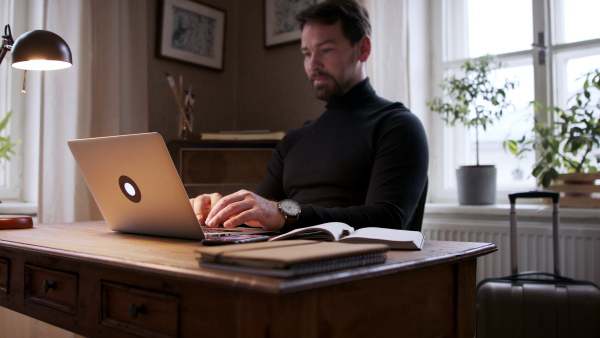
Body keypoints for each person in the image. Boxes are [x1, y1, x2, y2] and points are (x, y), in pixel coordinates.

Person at [190, 0, 428, 232]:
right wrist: (222, 211)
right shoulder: (294, 140)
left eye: (325, 50)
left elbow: (389, 219)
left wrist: (286, 213)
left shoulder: (398, 126)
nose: (313, 64)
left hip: (355, 265)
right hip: (284, 259)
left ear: (363, 49)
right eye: (306, 53)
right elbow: (265, 213)